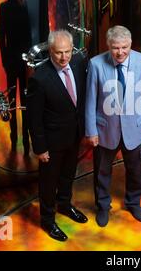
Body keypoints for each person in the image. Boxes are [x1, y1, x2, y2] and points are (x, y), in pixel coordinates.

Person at [85, 25, 141, 227]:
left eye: (124, 47)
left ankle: (133, 202)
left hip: (134, 128)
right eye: (115, 47)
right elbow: (90, 100)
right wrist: (91, 130)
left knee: (135, 170)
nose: (120, 52)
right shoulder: (96, 64)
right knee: (102, 171)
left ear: (130, 44)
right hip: (104, 130)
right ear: (108, 45)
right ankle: (102, 206)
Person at [27, 30, 88, 241]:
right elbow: (33, 119)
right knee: (48, 182)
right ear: (50, 51)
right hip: (51, 143)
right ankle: (48, 220)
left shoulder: (79, 63)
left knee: (68, 175)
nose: (64, 58)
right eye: (58, 53)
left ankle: (65, 205)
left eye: (67, 52)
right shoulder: (40, 78)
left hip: (74, 135)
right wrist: (40, 148)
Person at [0, 0, 31, 154]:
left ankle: (14, 137)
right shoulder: (22, 7)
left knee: (11, 100)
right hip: (22, 61)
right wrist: (26, 60)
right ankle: (26, 139)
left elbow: (1, 38)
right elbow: (27, 38)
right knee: (24, 100)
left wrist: (4, 61)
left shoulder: (4, 8)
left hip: (10, 61)